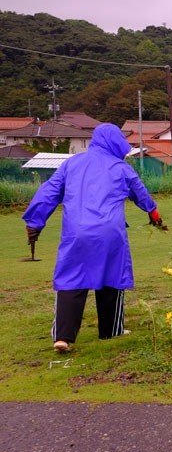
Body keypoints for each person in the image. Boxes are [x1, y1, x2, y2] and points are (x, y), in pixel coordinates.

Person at [22, 123, 164, 353]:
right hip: (110, 232)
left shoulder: (71, 164)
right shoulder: (121, 167)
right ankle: (111, 330)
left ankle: (63, 337)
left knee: (71, 279)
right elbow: (141, 193)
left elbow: (48, 192)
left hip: (76, 232)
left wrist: (34, 222)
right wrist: (154, 214)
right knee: (112, 277)